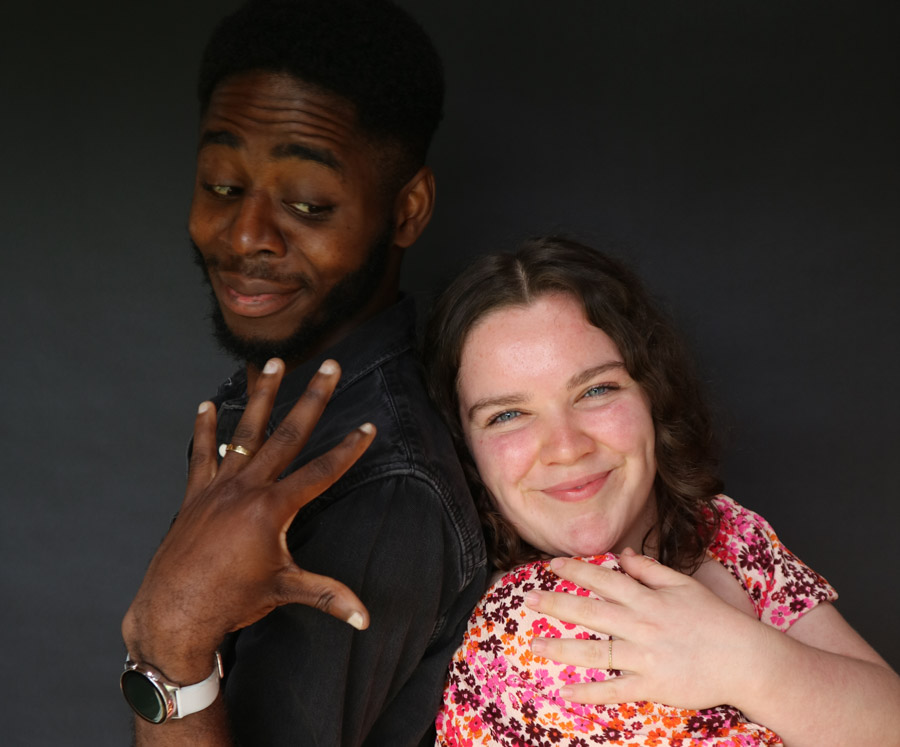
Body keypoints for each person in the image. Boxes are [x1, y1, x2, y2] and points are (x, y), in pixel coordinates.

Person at [120, 1, 486, 744]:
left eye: (306, 203)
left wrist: (171, 644)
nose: (246, 233)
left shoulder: (381, 483)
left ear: (408, 210)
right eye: (222, 183)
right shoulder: (283, 405)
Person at [422, 236, 900, 746]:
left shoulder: (723, 530)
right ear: (465, 449)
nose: (565, 447)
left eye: (596, 390)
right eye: (508, 415)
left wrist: (744, 658)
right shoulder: (532, 624)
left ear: (653, 391)